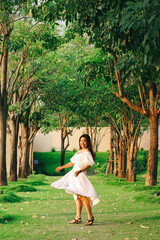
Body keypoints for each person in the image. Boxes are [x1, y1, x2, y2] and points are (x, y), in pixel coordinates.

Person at [51, 134, 100, 226]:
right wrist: (61, 167)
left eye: (85, 141)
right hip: (74, 175)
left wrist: (80, 171)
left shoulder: (87, 153)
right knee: (77, 197)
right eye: (81, 141)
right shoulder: (79, 151)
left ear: (88, 142)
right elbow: (72, 162)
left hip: (80, 176)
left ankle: (90, 217)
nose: (82, 143)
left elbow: (88, 165)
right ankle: (78, 217)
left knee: (83, 196)